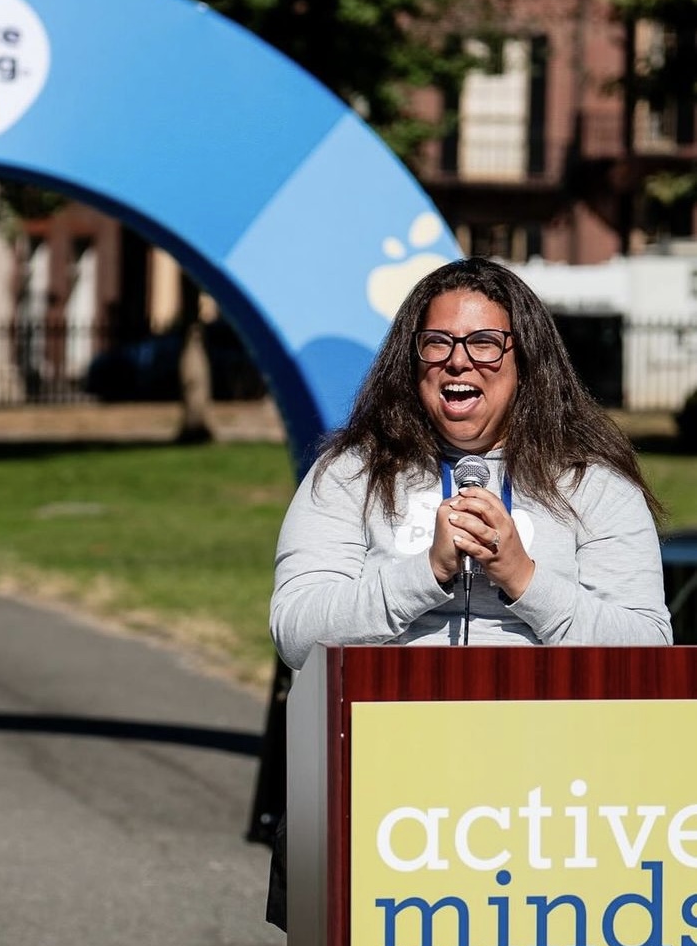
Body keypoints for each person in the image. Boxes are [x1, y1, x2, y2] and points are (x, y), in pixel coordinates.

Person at [269, 256, 673, 665]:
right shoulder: (351, 473)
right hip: (392, 704)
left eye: (484, 342)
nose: (458, 360)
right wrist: (426, 572)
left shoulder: (593, 483)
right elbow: (296, 635)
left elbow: (648, 650)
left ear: (525, 361)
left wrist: (522, 577)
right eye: (437, 341)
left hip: (542, 706)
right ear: (412, 361)